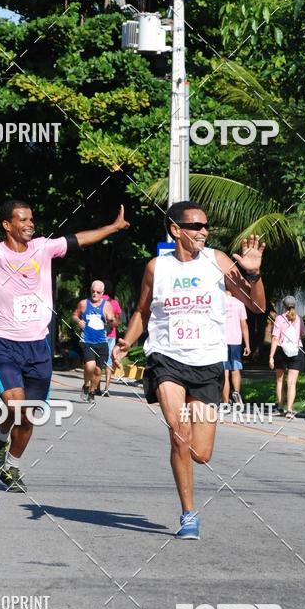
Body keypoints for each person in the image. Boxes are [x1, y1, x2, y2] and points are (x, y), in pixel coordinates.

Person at [0, 186, 129, 493]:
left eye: (31, 219)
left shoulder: (44, 248)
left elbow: (79, 239)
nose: (30, 224)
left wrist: (112, 227)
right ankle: (3, 439)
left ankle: (12, 464)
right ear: (7, 225)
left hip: (38, 347)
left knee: (29, 414)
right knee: (17, 406)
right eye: (23, 219)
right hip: (4, 344)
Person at [114, 201, 265, 540]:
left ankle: (189, 494)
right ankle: (188, 514)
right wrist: (125, 343)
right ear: (175, 230)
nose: (203, 232)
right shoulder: (157, 268)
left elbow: (256, 305)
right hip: (167, 359)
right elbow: (142, 312)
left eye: (205, 226)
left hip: (208, 363)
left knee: (201, 453)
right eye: (195, 226)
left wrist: (253, 274)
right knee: (179, 434)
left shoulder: (218, 261)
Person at [72, 282, 115, 403]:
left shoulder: (107, 305)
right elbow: (75, 315)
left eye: (98, 292)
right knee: (89, 366)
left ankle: (91, 391)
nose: (95, 294)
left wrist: (111, 320)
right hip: (87, 341)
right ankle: (86, 384)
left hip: (102, 342)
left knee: (97, 371)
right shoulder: (83, 303)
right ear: (90, 290)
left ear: (103, 293)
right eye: (93, 291)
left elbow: (113, 322)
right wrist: (78, 321)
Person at [269, 296, 305, 420]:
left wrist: (271, 356)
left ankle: (280, 407)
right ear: (294, 305)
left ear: (283, 305)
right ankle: (289, 410)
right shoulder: (299, 319)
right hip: (296, 351)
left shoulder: (279, 319)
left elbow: (275, 338)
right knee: (292, 383)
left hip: (281, 351)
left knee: (280, 381)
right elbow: (303, 334)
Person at [221, 294, 250, 409]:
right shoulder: (239, 303)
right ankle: (236, 393)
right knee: (236, 369)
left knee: (225, 371)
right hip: (236, 341)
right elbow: (244, 325)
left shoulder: (218, 302)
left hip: (221, 341)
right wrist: (247, 345)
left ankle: (225, 401)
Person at [101, 288, 122, 397]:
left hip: (98, 334)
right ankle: (106, 388)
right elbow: (117, 320)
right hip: (111, 335)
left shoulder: (97, 300)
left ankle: (95, 386)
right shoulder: (114, 303)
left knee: (97, 360)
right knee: (109, 361)